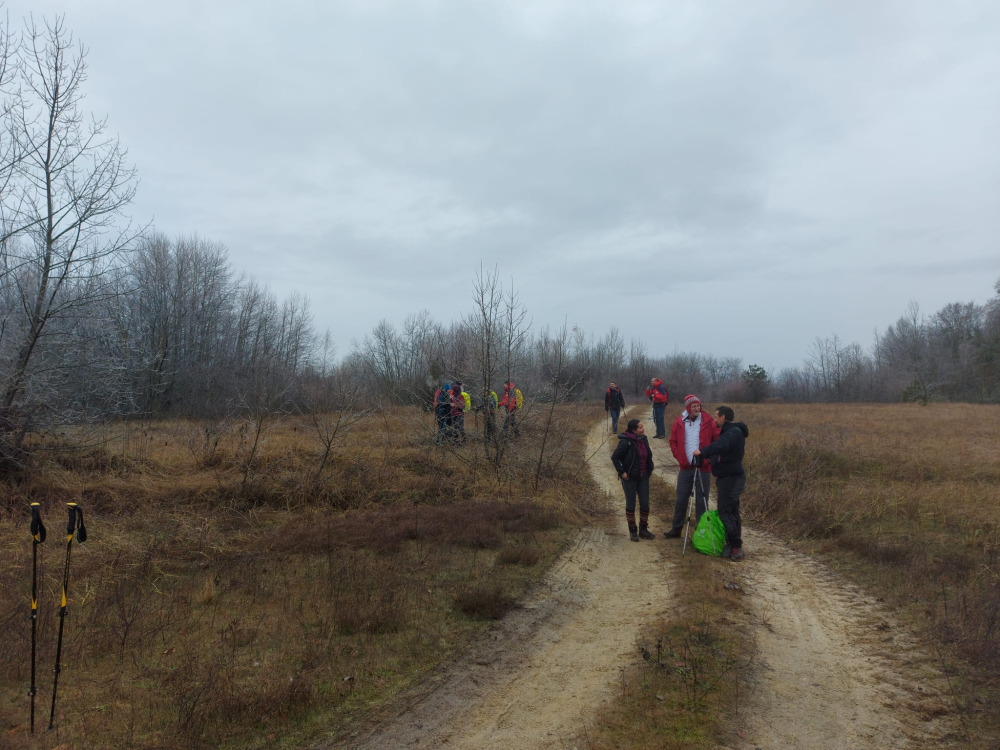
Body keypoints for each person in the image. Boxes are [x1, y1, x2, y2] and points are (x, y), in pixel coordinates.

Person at [693, 406, 749, 561]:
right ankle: (733, 544)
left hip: (732, 479)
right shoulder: (728, 432)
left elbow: (721, 445)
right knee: (732, 511)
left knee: (725, 512)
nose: (714, 419)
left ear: (723, 417)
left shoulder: (734, 432)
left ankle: (735, 547)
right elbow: (722, 453)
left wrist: (703, 452)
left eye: (716, 416)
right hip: (727, 477)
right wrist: (708, 458)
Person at [664, 394, 720, 538]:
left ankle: (700, 533)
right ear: (688, 408)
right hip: (685, 467)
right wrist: (679, 456)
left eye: (698, 406)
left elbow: (717, 440)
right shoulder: (679, 422)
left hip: (704, 467)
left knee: (702, 501)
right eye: (693, 406)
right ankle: (676, 529)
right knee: (681, 499)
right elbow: (673, 441)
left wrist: (710, 458)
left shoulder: (708, 421)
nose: (697, 408)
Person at [611, 418, 655, 542]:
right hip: (630, 478)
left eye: (643, 426)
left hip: (643, 477)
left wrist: (649, 469)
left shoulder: (644, 439)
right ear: (633, 430)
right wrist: (622, 472)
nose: (643, 429)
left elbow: (648, 456)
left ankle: (643, 530)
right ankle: (633, 531)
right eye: (640, 428)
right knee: (631, 504)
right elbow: (615, 457)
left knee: (645, 504)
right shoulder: (625, 442)